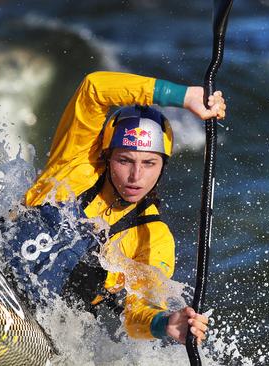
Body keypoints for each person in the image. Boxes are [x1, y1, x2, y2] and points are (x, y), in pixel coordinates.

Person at [12, 71, 226, 344]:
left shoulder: (152, 237)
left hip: (35, 333)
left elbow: (138, 310)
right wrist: (184, 96)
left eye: (149, 163)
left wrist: (165, 324)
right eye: (125, 160)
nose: (136, 176)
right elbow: (95, 88)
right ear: (108, 156)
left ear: (162, 167)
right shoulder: (74, 165)